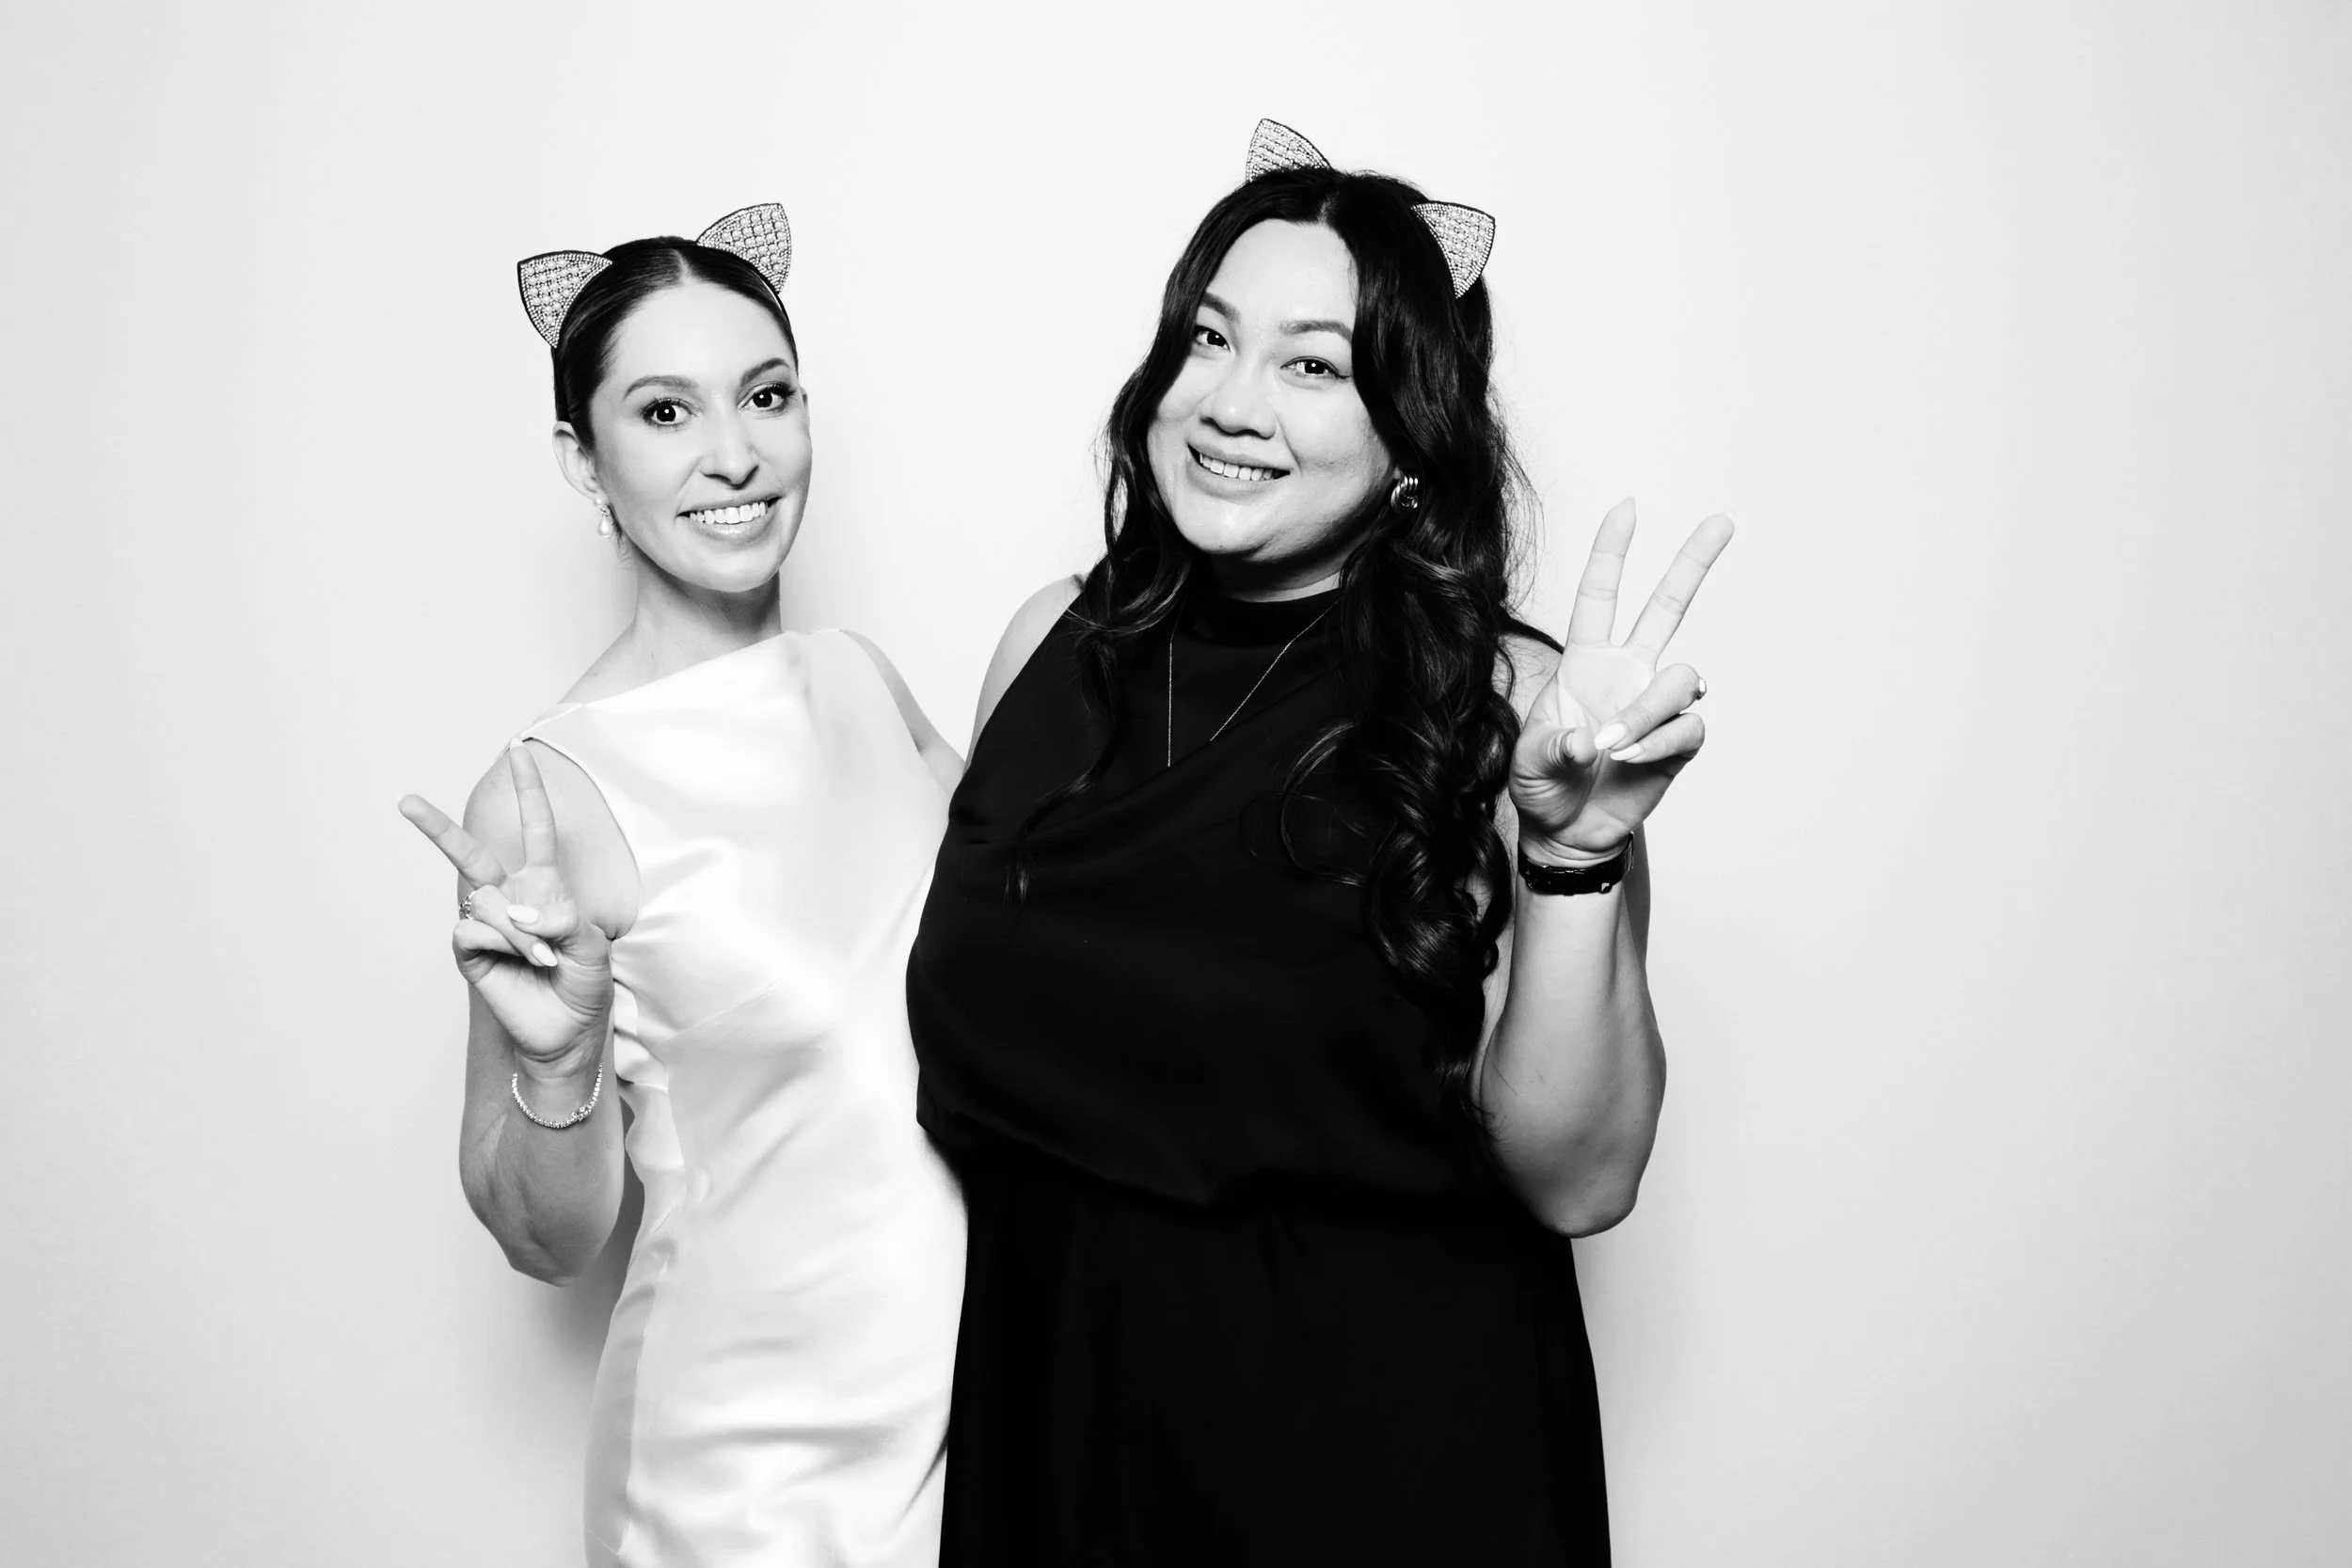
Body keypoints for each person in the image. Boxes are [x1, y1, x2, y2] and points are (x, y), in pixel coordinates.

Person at [907, 123, 1732, 1563]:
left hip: (1375, 1469)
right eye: (1209, 339)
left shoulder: (1507, 710)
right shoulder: (1047, 648)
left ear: (1413, 432)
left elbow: (1583, 1178)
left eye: (1312, 363)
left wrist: (1574, 855)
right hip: (1061, 1444)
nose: (1231, 403)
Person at [397, 207, 964, 1568]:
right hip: (750, 1473)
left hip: (972, 1420)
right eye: (665, 412)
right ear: (581, 460)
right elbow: (547, 1239)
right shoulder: (550, 792)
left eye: (767, 396)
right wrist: (562, 1055)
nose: (735, 453)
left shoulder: (863, 681)